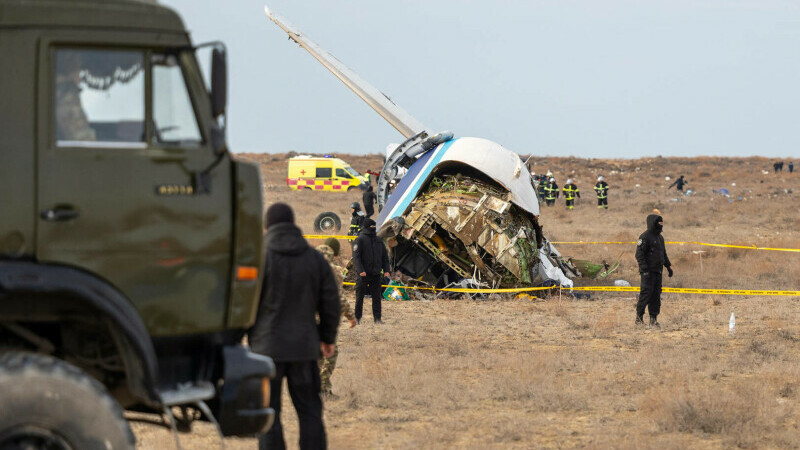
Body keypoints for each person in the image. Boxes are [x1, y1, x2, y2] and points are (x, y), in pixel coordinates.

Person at [249, 203, 340, 450]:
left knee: (268, 414)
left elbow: (242, 301)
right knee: (310, 411)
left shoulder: (256, 257)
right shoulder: (314, 259)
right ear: (294, 225)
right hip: (304, 348)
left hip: (266, 350)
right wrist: (327, 338)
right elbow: (330, 300)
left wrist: (240, 339)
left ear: (267, 226)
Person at [316, 244, 357, 398]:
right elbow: (339, 297)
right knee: (330, 354)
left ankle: (315, 388)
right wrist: (351, 316)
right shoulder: (333, 272)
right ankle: (324, 388)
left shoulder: (306, 270)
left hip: (307, 321)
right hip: (325, 320)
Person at [634, 214, 673, 328]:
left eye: (662, 224)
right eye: (658, 224)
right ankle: (639, 318)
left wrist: (668, 266)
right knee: (646, 294)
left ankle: (653, 319)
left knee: (656, 295)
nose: (660, 226)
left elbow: (663, 254)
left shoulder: (660, 238)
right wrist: (644, 268)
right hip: (647, 272)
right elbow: (639, 254)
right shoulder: (645, 237)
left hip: (658, 271)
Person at [353, 218, 390, 324]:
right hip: (363, 275)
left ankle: (377, 319)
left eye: (374, 226)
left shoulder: (379, 240)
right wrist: (360, 271)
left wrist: (386, 270)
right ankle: (357, 318)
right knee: (359, 298)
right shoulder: (359, 239)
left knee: (377, 298)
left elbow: (385, 257)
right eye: (371, 226)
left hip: (376, 274)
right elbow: (356, 257)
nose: (373, 228)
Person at [55, 51, 97, 142]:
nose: (80, 78)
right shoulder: (65, 95)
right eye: (80, 69)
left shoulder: (58, 91)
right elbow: (84, 142)